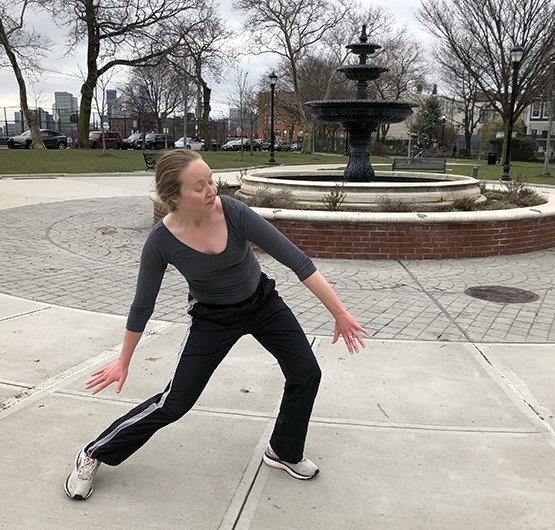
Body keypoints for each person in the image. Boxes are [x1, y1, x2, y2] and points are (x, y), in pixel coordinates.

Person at [64, 149, 368, 500]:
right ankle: (93, 453)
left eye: (211, 180)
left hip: (262, 304)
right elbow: (141, 306)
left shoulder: (234, 213)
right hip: (213, 318)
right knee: (174, 403)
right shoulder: (160, 243)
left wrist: (340, 313)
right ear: (174, 197)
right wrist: (123, 360)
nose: (212, 189)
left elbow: (297, 261)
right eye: (199, 186)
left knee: (306, 373)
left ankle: (283, 451)